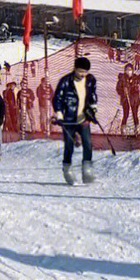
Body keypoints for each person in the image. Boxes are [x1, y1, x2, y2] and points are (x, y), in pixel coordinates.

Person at [52, 56, 98, 185]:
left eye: (85, 72)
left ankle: (87, 170)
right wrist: (59, 114)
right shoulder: (66, 81)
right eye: (80, 71)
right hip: (69, 120)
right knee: (69, 146)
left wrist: (92, 110)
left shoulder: (90, 80)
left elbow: (93, 96)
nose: (82, 74)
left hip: (83, 118)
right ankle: (67, 169)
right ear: (75, 69)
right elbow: (57, 99)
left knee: (88, 144)